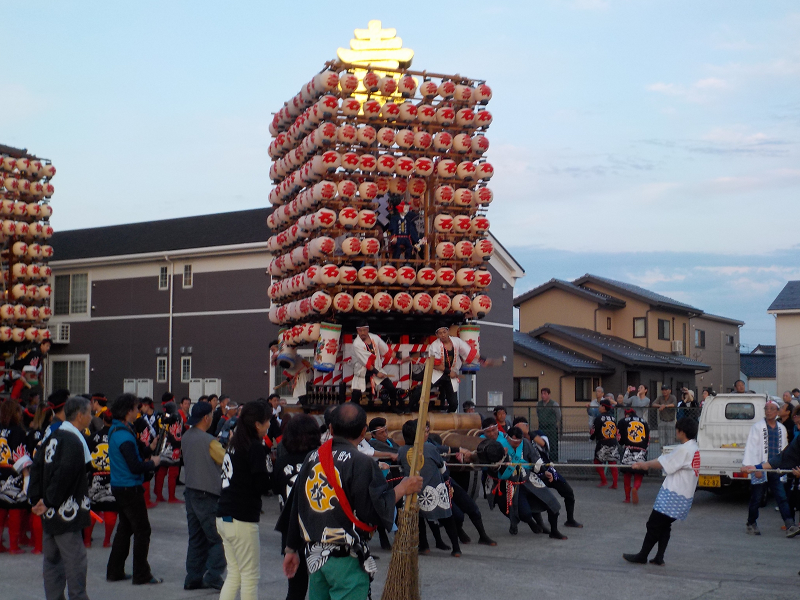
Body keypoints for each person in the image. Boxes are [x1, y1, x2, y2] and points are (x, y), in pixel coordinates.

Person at [282, 403, 423, 600]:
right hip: (346, 558)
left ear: (330, 429)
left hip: (314, 557)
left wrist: (290, 548)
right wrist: (402, 488)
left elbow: (295, 505)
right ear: (364, 431)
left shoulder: (312, 457)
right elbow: (371, 511)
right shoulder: (361, 462)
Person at [28, 396, 92, 599]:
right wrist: (48, 501)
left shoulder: (51, 437)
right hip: (66, 513)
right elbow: (65, 473)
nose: (91, 417)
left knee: (52, 561)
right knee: (75, 561)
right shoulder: (73, 440)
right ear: (80, 416)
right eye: (89, 413)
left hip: (49, 512)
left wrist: (36, 498)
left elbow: (36, 466)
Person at [623, 417, 701, 566]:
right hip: (683, 496)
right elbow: (666, 460)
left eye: (677, 429)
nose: (675, 431)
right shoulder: (693, 448)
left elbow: (663, 463)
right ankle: (659, 557)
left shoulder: (684, 449)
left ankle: (642, 556)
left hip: (673, 495)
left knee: (653, 524)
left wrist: (644, 464)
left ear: (682, 432)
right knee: (664, 525)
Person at [216, 401, 273, 600]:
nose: (269, 425)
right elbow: (261, 485)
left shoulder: (235, 443)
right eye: (267, 421)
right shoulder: (254, 447)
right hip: (242, 518)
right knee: (249, 576)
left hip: (224, 514)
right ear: (257, 424)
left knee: (234, 574)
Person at [106, 393, 162, 585]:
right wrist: (152, 463)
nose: (138, 412)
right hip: (130, 487)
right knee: (142, 530)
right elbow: (135, 465)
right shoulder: (124, 435)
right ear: (128, 411)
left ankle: (114, 570)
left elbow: (136, 455)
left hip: (120, 486)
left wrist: (150, 448)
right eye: (136, 409)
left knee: (125, 528)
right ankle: (141, 573)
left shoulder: (117, 430)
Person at [180, 402, 227, 591]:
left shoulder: (186, 436)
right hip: (208, 493)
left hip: (190, 491)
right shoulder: (209, 441)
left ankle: (193, 577)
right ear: (206, 418)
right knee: (219, 537)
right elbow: (226, 461)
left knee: (196, 538)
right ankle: (214, 575)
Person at [274, 413, 321, 600]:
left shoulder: (281, 462)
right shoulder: (320, 460)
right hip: (318, 528)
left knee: (295, 589)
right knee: (321, 586)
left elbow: (276, 487)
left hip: (291, 530)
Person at [399, 419, 462, 557]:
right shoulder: (429, 448)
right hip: (435, 489)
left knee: (419, 520)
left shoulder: (401, 451)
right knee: (447, 518)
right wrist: (445, 476)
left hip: (414, 489)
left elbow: (401, 467)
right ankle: (456, 547)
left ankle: (424, 546)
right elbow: (441, 466)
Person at [741, 400, 797, 536]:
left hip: (776, 468)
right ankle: (751, 522)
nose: (769, 411)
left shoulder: (781, 428)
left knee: (781, 496)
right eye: (766, 408)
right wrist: (756, 468)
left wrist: (784, 467)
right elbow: (752, 448)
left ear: (777, 412)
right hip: (761, 466)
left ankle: (790, 525)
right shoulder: (757, 427)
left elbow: (785, 450)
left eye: (772, 409)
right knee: (757, 498)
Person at [518, 417, 582, 528]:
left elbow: (543, 444)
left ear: (527, 425)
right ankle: (540, 524)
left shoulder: (538, 434)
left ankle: (570, 519)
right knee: (536, 497)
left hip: (548, 469)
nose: (519, 429)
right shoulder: (517, 440)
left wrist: (528, 433)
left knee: (568, 492)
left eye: (521, 426)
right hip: (532, 474)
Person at [0, 400, 33, 554]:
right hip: (13, 472)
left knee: (1, 509)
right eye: (19, 411)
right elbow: (20, 455)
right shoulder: (18, 432)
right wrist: (27, 475)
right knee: (14, 508)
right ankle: (13, 545)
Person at [84, 408, 118, 549]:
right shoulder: (117, 437)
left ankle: (86, 541)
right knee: (110, 508)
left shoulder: (93, 437)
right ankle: (107, 541)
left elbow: (86, 459)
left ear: (103, 420)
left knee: (93, 509)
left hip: (95, 476)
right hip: (112, 477)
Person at [350, 323, 401, 412]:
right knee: (356, 393)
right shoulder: (356, 344)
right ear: (357, 331)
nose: (362, 332)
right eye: (360, 330)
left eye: (364, 330)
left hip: (376, 368)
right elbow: (366, 362)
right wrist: (377, 373)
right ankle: (352, 412)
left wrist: (398, 356)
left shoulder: (375, 338)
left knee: (391, 388)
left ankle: (393, 407)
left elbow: (385, 349)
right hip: (362, 371)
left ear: (368, 329)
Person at [427, 325, 477, 413]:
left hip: (451, 376)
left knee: (454, 403)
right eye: (440, 333)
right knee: (422, 390)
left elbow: (468, 352)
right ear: (437, 335)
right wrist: (449, 371)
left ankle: (449, 416)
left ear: (448, 331)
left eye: (444, 332)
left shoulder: (456, 341)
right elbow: (436, 364)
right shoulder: (434, 345)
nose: (443, 335)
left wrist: (483, 359)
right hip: (438, 373)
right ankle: (409, 408)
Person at [153, 401, 184, 504]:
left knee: (161, 471)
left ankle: (159, 495)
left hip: (163, 447)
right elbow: (178, 434)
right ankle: (171, 497)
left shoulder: (161, 418)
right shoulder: (177, 418)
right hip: (174, 448)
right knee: (173, 473)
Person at [618, 408, 650, 505]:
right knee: (639, 473)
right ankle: (635, 488)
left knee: (627, 474)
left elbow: (619, 438)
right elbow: (648, 438)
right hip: (641, 450)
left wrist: (623, 442)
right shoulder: (644, 422)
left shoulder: (622, 421)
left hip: (628, 449)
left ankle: (627, 498)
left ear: (627, 415)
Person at [133, 399, 159, 508]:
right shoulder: (141, 421)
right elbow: (145, 438)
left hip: (134, 449)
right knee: (145, 474)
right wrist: (148, 450)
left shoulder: (133, 421)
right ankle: (146, 499)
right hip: (142, 449)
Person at [590, 399, 619, 489]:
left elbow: (594, 431)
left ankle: (604, 480)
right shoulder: (613, 418)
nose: (599, 407)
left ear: (603, 407)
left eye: (601, 406)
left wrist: (592, 437)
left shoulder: (598, 418)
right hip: (613, 441)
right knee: (612, 462)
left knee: (597, 461)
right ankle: (615, 483)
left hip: (602, 442)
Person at [537, 387, 561, 461]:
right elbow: (538, 414)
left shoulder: (554, 404)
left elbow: (558, 415)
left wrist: (552, 422)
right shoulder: (538, 404)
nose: (543, 395)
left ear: (549, 395)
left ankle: (554, 461)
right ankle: (542, 460)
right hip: (542, 427)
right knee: (541, 444)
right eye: (542, 394)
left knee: (552, 445)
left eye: (545, 394)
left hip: (551, 428)